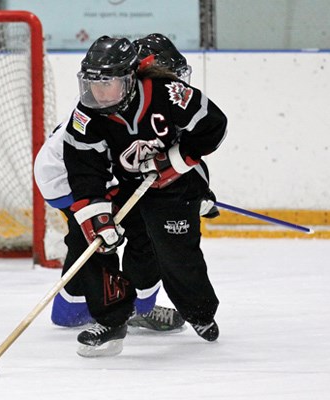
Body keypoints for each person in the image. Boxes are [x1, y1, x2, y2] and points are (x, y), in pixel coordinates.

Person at [62, 35, 227, 356]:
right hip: (122, 186)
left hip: (171, 185)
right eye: (93, 83)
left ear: (128, 80)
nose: (98, 92)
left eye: (107, 83)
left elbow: (213, 125)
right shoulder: (85, 117)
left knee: (176, 251)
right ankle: (111, 321)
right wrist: (96, 215)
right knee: (91, 241)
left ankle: (199, 311)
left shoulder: (167, 93)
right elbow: (84, 172)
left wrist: (174, 161)